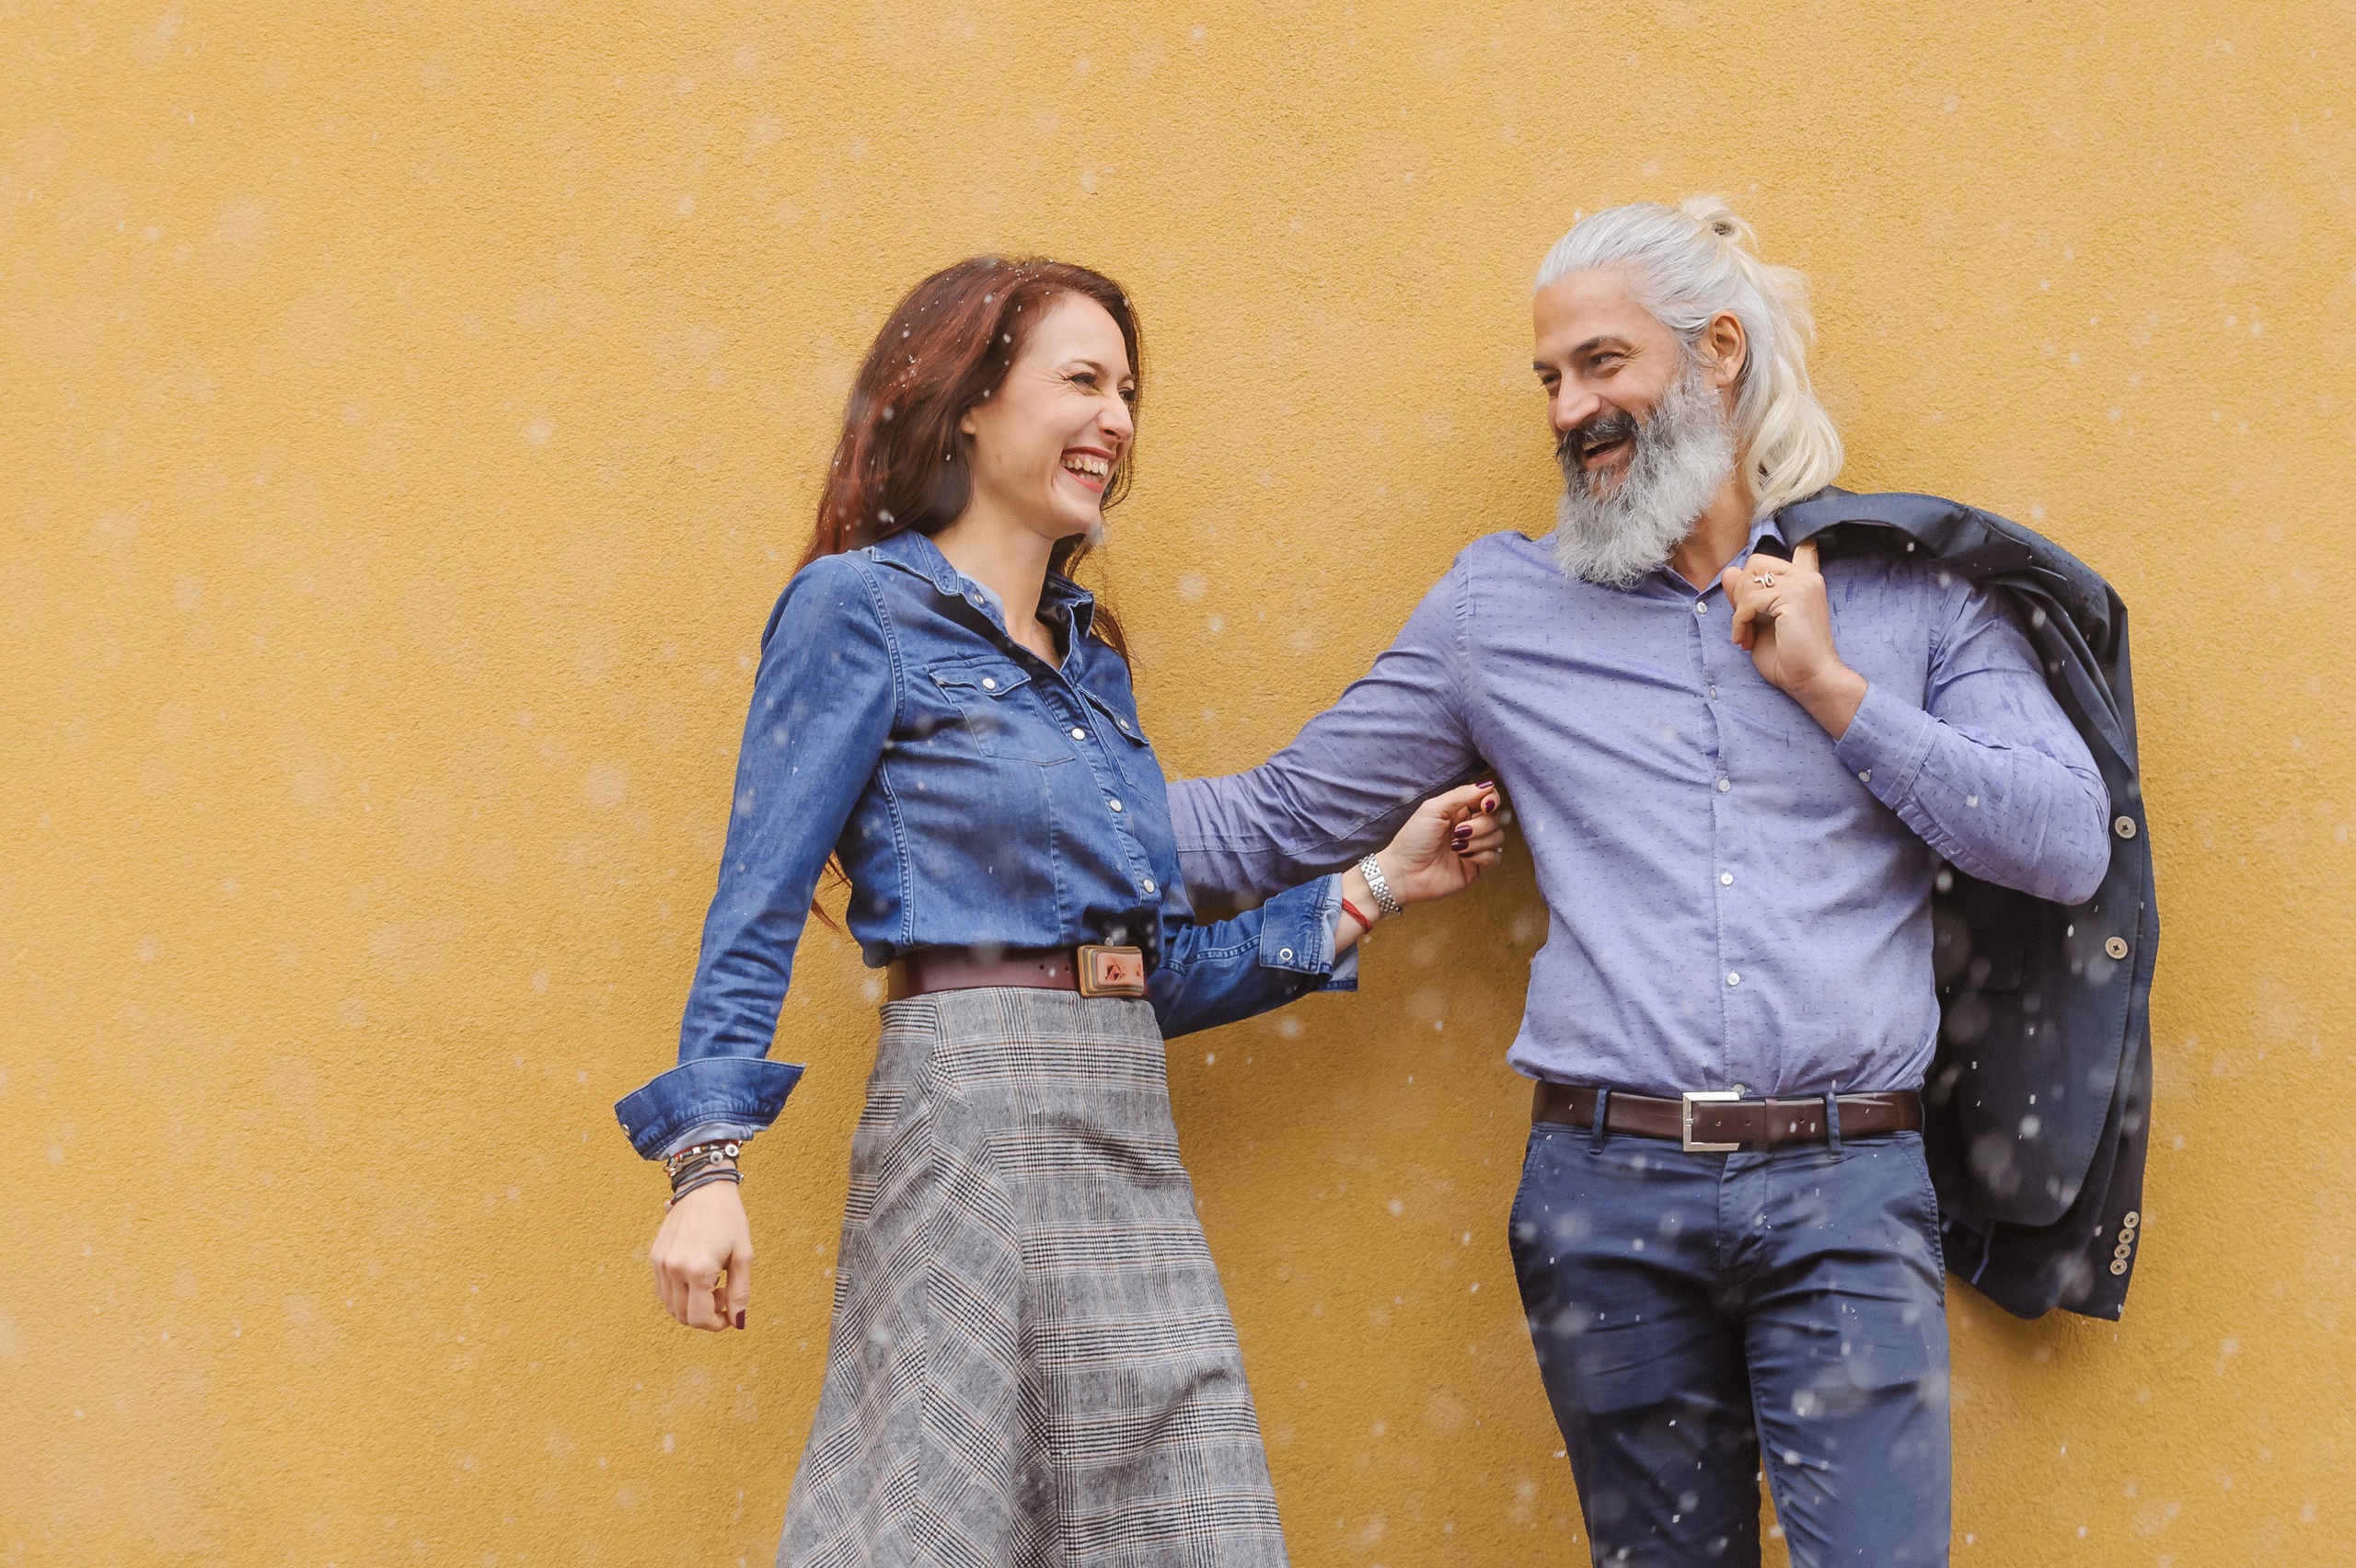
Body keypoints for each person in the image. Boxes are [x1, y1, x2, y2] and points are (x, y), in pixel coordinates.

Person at [1167, 200, 2114, 1566]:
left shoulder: (1907, 598)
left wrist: (1837, 696)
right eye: (1550, 378)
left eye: (1602, 364)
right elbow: (1275, 820)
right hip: (1605, 1199)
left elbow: (2063, 840)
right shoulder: (1500, 614)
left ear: (1718, 350)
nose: (1569, 408)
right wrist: (1014, 805)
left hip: (1849, 1192)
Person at [610, 256, 1506, 1568]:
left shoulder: (1093, 666)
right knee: (932, 1524)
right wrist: (708, 1166)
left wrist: (1378, 886)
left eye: (1129, 392)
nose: (1119, 420)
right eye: (1081, 380)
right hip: (965, 1131)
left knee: (1196, 1530)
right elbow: (754, 898)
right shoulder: (859, 611)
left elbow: (1141, 973)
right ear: (968, 402)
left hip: (1125, 1134)